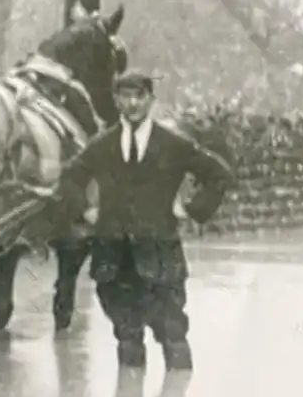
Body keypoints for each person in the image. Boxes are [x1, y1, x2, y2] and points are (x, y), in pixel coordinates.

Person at [56, 71, 235, 372]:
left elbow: (219, 175)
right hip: (113, 259)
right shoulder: (103, 144)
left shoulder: (173, 144)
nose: (133, 103)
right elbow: (69, 179)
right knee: (127, 340)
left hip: (160, 257)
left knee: (173, 337)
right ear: (116, 101)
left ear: (151, 100)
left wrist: (190, 209)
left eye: (140, 96)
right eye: (125, 96)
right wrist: (87, 211)